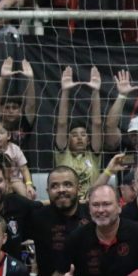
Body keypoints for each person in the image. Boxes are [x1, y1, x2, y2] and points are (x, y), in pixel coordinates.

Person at [24, 166, 89, 276]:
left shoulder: (92, 215)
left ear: (78, 189)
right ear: (47, 191)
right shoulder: (37, 218)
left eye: (67, 184)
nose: (61, 190)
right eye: (54, 186)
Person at [54, 66, 106, 200]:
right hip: (67, 202)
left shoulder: (93, 155)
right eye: (74, 135)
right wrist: (65, 91)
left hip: (92, 204)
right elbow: (62, 124)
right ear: (68, 139)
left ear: (89, 140)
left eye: (83, 135)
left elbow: (97, 124)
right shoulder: (62, 155)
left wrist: (95, 91)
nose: (79, 138)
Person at [0, 57, 38, 168]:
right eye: (7, 107)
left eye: (14, 108)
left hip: (22, 172)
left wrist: (30, 79)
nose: (10, 111)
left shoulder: (25, 122)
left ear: (20, 111)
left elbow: (31, 105)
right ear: (1, 110)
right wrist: (3, 78)